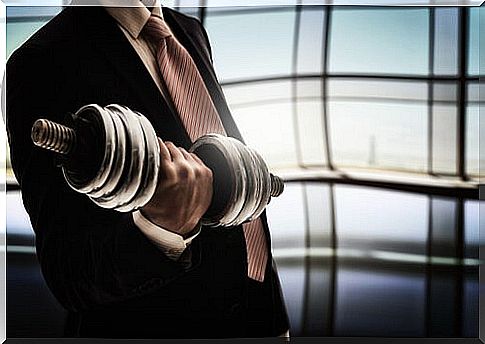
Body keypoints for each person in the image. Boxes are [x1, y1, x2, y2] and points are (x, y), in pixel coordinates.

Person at [5, 0, 290, 339]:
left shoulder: (187, 29)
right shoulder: (39, 61)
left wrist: (268, 310)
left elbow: (213, 139)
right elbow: (71, 277)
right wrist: (162, 229)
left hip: (260, 309)